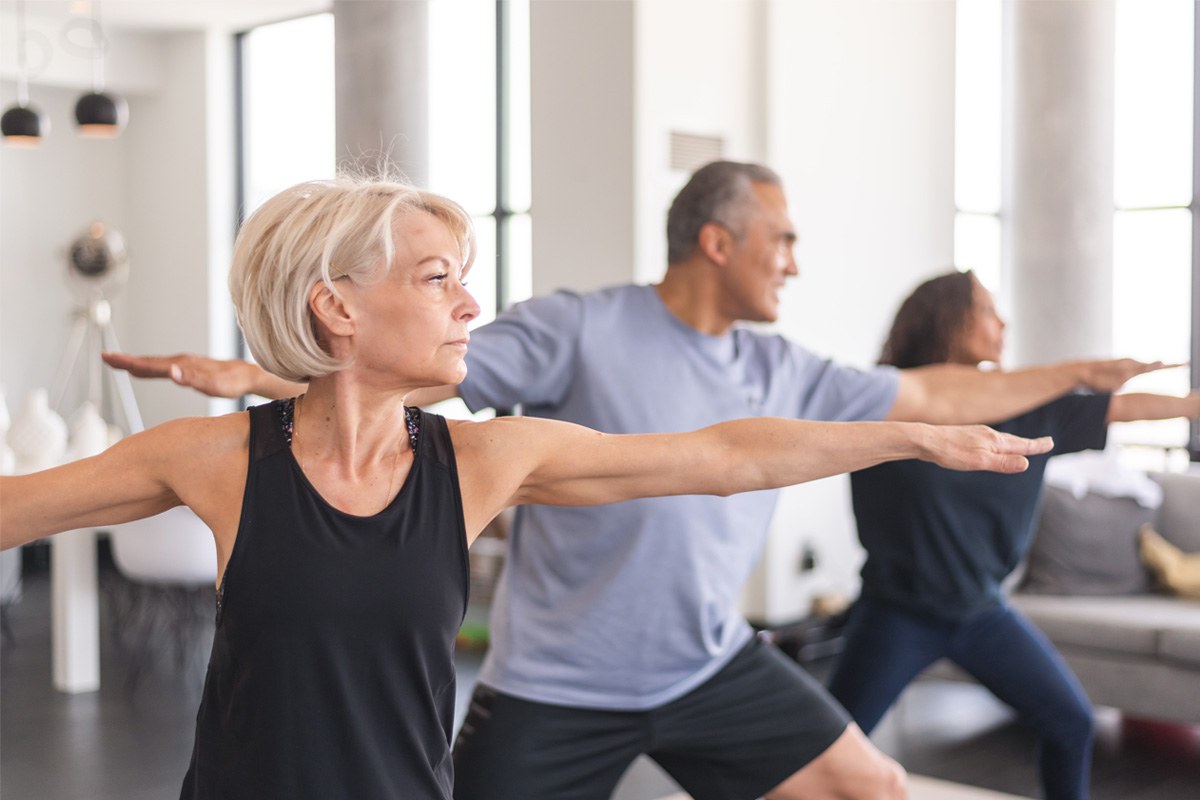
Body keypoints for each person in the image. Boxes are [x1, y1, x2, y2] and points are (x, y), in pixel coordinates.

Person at [101, 161, 1165, 800]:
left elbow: (902, 404)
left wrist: (1073, 377)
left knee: (872, 785)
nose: (794, 259)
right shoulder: (578, 326)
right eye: (781, 237)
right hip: (558, 684)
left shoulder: (778, 364)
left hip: (708, 668)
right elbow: (409, 380)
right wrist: (265, 373)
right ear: (719, 238)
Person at [825, 269, 1200, 800]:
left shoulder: (1029, 404)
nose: (1003, 322)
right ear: (947, 320)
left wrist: (1192, 405)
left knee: (1072, 723)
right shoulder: (888, 399)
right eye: (985, 310)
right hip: (895, 612)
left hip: (982, 612)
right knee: (822, 748)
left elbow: (1130, 408)